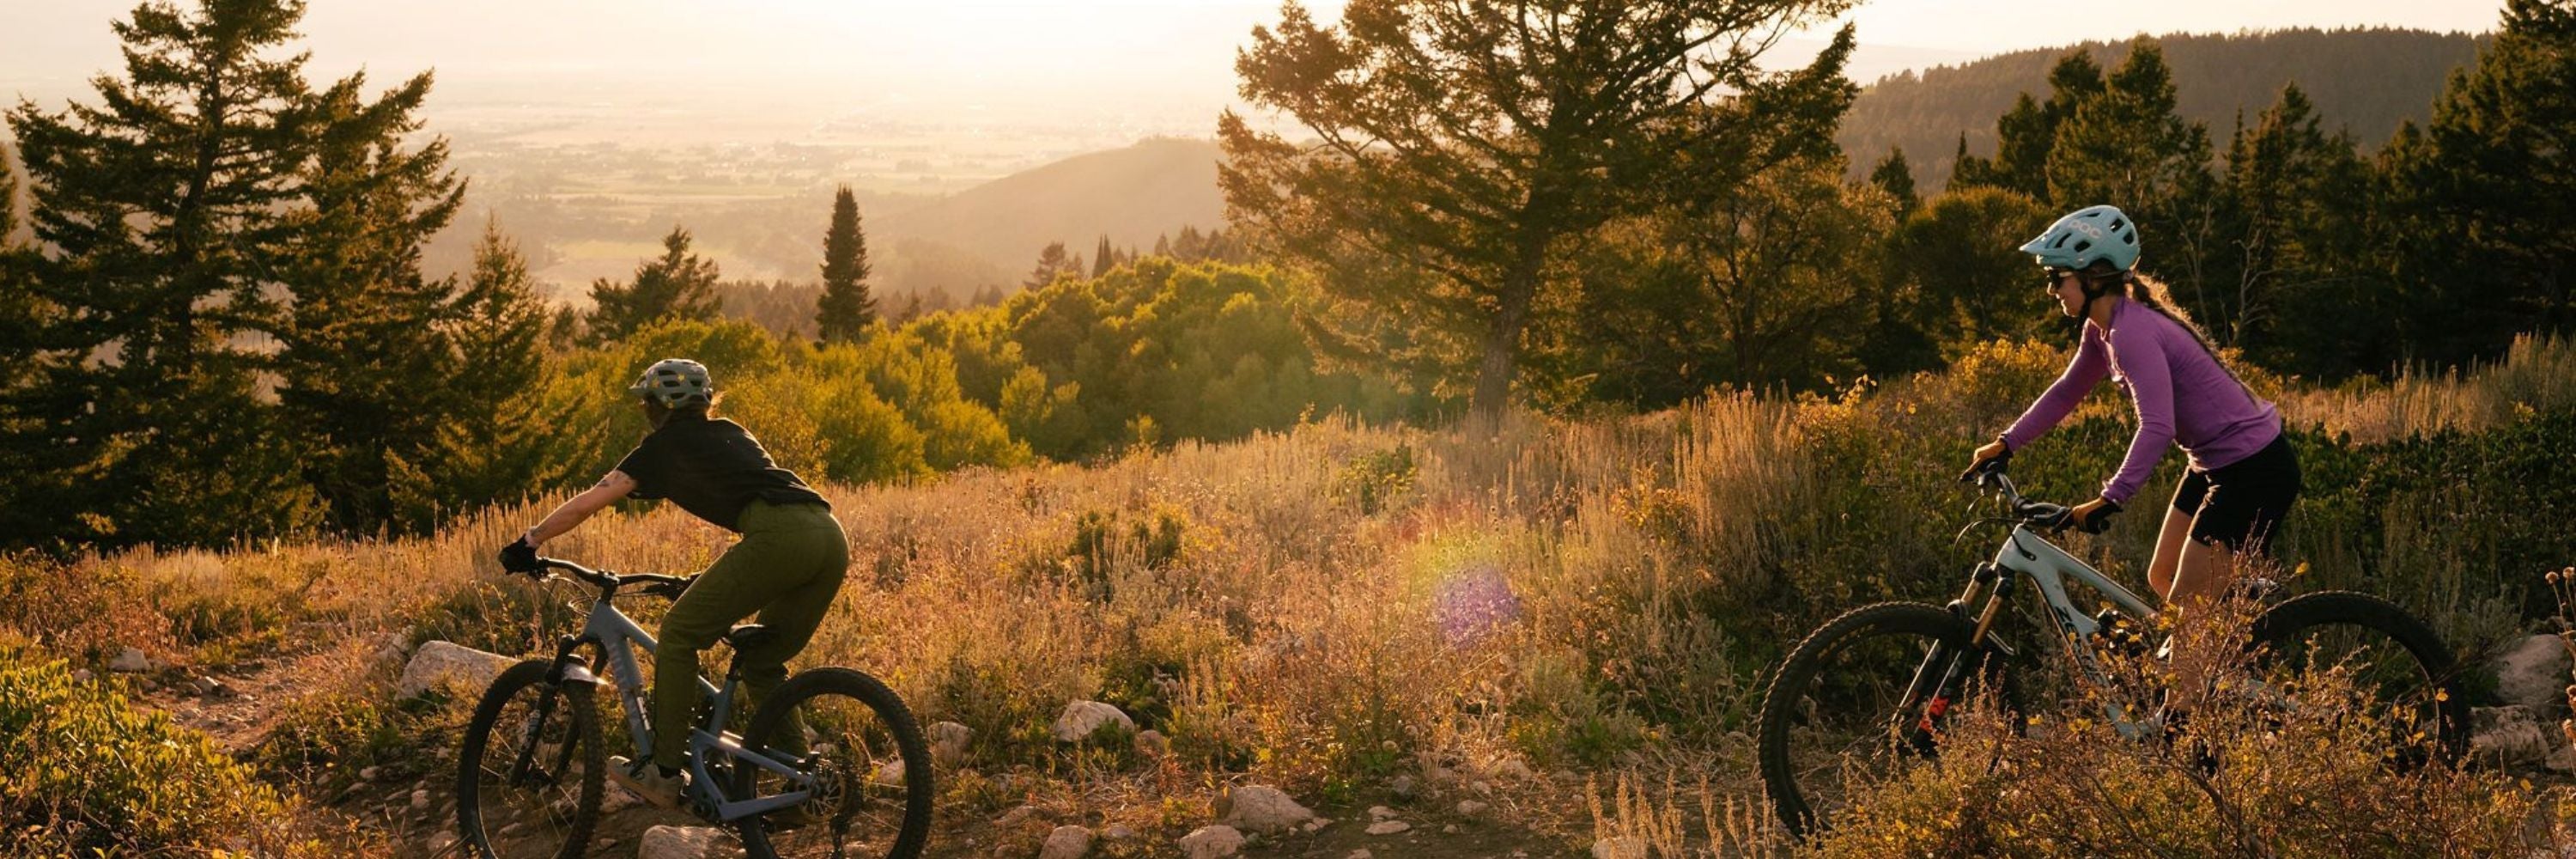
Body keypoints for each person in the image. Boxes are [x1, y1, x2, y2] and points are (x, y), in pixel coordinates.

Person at [496, 357, 847, 807]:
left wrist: (529, 541)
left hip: (778, 537)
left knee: (680, 634)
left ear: (655, 406)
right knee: (762, 665)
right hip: (829, 535)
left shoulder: (659, 449)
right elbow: (758, 491)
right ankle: (803, 789)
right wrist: (718, 578)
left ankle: (663, 772)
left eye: (646, 403)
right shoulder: (734, 431)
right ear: (705, 401)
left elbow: (589, 503)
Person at [1960, 204, 2302, 612]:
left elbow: (2156, 426)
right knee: (2163, 578)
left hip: (2255, 470)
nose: (2051, 290)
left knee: (2187, 626)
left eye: (2057, 278)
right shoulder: (2101, 329)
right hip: (2211, 463)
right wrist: (2007, 443)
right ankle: (2235, 628)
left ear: (2093, 276)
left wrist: (2110, 498)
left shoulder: (2132, 333)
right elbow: (2067, 391)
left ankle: (2223, 639)